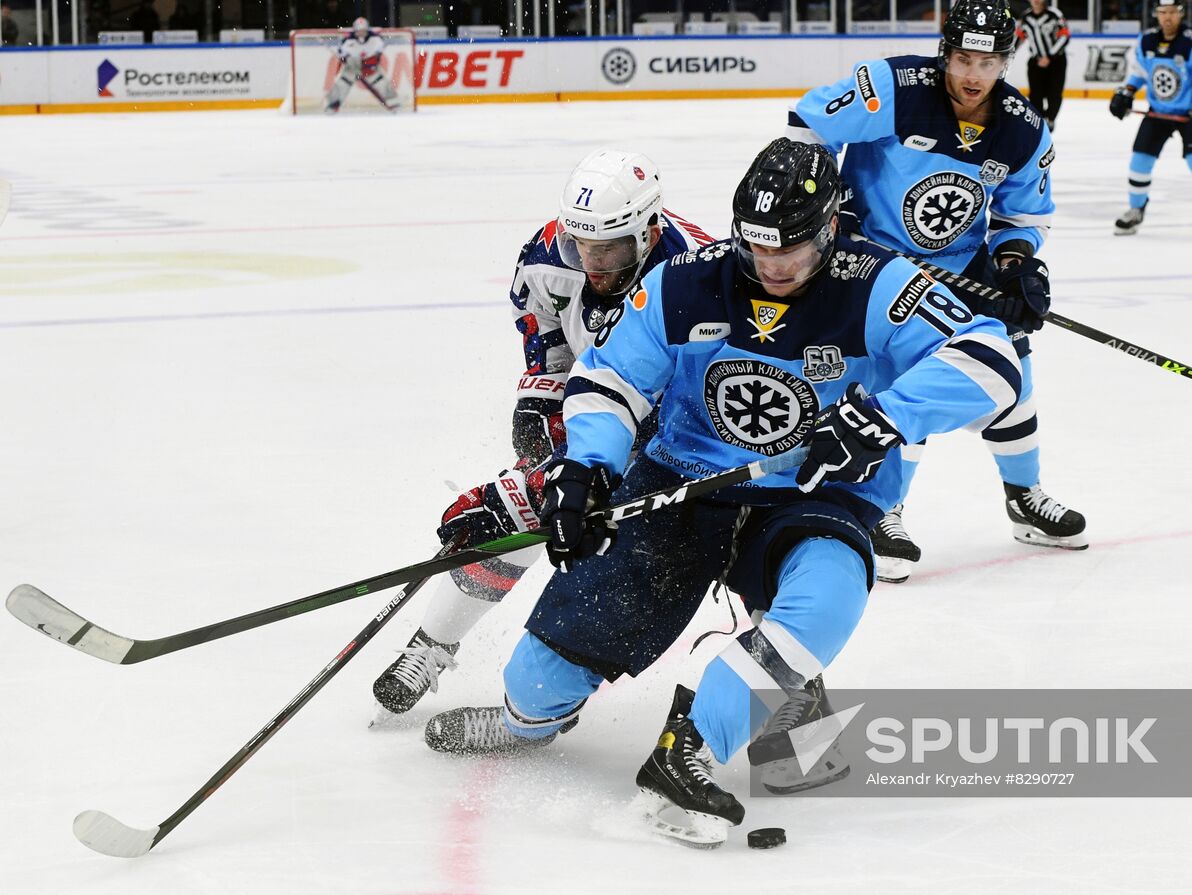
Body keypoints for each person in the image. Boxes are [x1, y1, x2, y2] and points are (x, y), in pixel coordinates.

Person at [423, 139, 1022, 847]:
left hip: (808, 495)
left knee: (829, 590)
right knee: (536, 681)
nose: (770, 270)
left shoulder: (877, 282)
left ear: (829, 229)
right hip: (681, 483)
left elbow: (992, 361)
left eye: (790, 256)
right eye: (756, 251)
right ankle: (531, 720)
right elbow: (610, 379)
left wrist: (883, 417)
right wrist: (586, 467)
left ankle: (692, 751)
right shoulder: (686, 280)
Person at [370, 149, 711, 717]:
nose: (594, 263)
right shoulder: (546, 258)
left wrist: (570, 470)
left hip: (685, 439)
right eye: (584, 246)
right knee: (527, 515)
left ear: (649, 231)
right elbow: (552, 355)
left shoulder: (697, 272)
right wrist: (542, 441)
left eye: (611, 248)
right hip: (599, 410)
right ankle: (432, 643)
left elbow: (690, 399)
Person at [785, 0, 1088, 583]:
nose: (974, 75)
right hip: (872, 261)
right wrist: (827, 206)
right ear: (945, 53)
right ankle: (881, 507)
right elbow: (810, 121)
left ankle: (1024, 498)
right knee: (900, 384)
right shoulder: (894, 87)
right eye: (965, 58)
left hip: (958, 264)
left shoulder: (1023, 129)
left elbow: (1024, 216)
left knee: (1010, 370)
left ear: (1006, 61)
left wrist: (1018, 263)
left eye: (990, 61)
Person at [1108, 0, 1192, 238]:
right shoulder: (1146, 40)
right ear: (1156, 14)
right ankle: (1136, 210)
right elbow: (1139, 73)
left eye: (1173, 13)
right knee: (1140, 161)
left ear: (1181, 13)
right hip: (1159, 112)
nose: (1168, 18)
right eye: (1163, 12)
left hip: (1189, 113)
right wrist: (1126, 92)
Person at [326, 18, 403, 114]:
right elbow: (341, 54)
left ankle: (395, 104)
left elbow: (379, 52)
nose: (361, 33)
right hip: (352, 68)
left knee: (382, 83)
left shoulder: (376, 38)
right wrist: (348, 60)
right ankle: (331, 106)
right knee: (342, 84)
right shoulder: (347, 40)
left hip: (370, 68)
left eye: (363, 30)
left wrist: (371, 62)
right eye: (359, 31)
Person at [1016, 0, 1070, 131]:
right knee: (1035, 95)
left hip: (1056, 61)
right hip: (1036, 62)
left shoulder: (1054, 14)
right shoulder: (1026, 17)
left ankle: (1050, 119)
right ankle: (1039, 121)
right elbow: (1019, 37)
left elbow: (1065, 36)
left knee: (1055, 93)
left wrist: (1050, 56)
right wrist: (1007, 55)